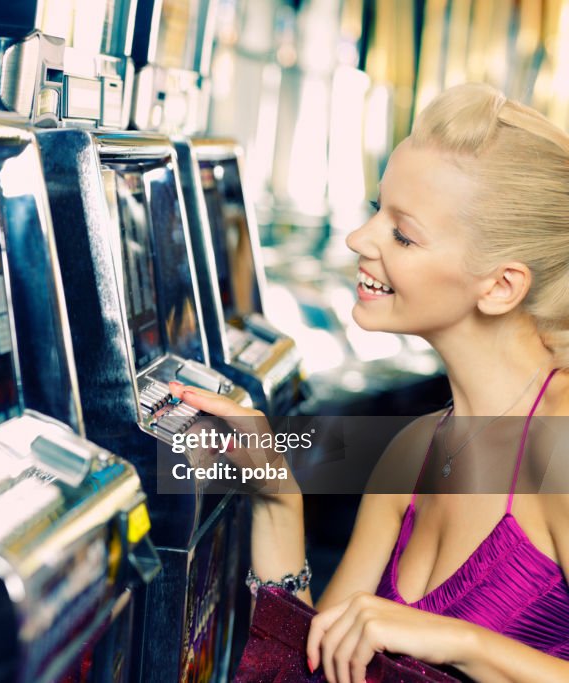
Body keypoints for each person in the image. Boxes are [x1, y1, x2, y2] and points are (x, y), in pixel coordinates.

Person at [170, 82, 569, 682]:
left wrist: (466, 644)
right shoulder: (410, 454)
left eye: (402, 234)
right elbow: (306, 672)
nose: (360, 240)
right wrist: (279, 501)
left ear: (500, 286)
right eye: (375, 211)